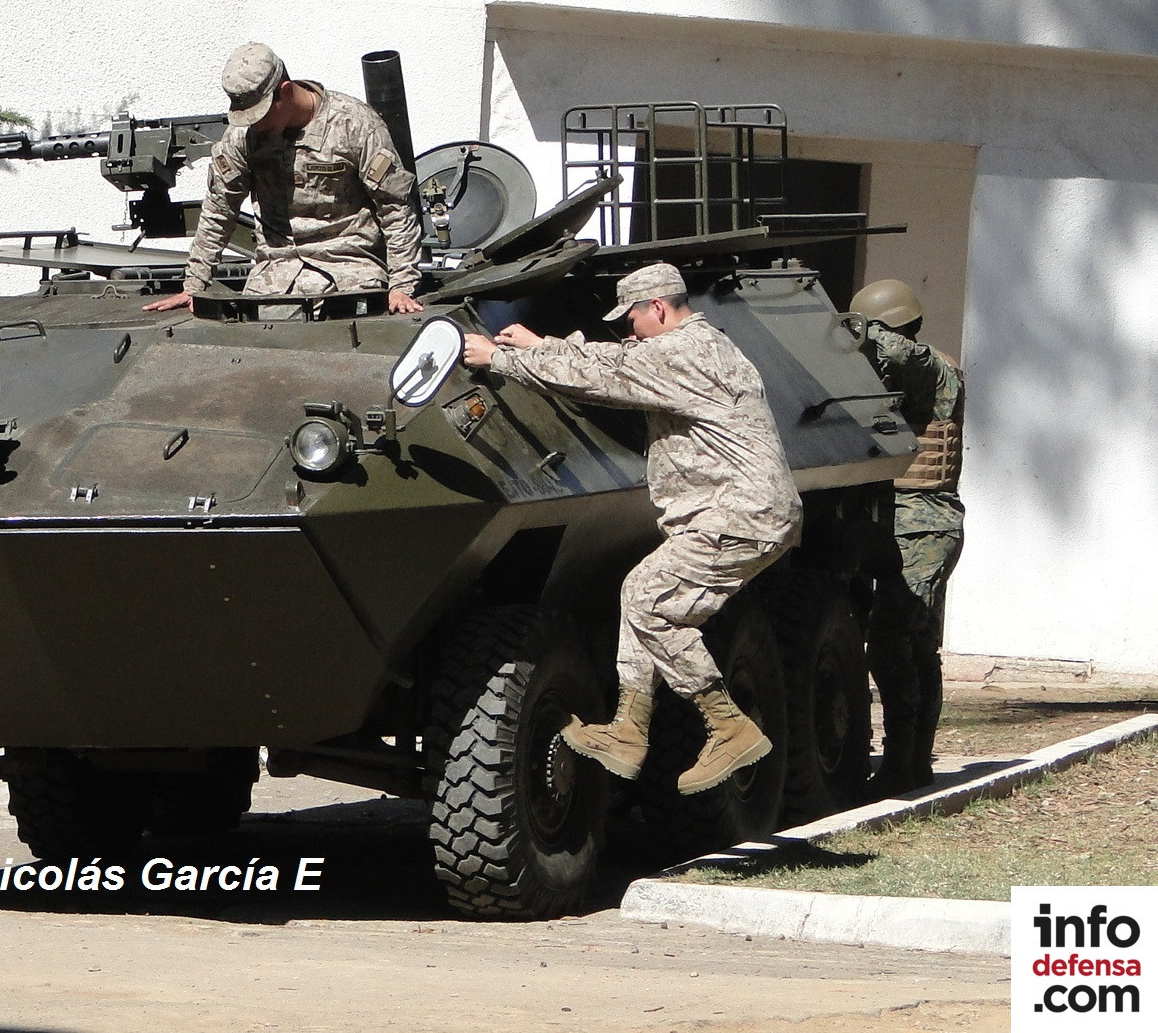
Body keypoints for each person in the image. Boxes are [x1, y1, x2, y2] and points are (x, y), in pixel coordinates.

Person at [460, 263, 802, 795]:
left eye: (633, 319)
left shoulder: (688, 352)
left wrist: (500, 358)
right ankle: (628, 729)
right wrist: (540, 345)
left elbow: (605, 375)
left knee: (645, 598)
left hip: (738, 514)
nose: (629, 330)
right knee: (643, 602)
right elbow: (615, 359)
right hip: (735, 513)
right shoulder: (692, 347)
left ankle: (728, 725)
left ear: (659, 309)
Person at [144, 43, 424, 315]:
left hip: (350, 268)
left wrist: (402, 284)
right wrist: (195, 283)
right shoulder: (243, 135)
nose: (255, 125)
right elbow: (219, 209)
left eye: (261, 114)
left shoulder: (355, 124)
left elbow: (395, 207)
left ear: (285, 92)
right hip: (275, 275)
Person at [849, 279, 965, 796]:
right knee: (914, 644)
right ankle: (912, 765)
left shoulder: (933, 367)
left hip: (924, 522)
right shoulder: (897, 371)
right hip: (899, 520)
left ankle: (902, 763)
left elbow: (893, 348)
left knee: (894, 642)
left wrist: (848, 332)